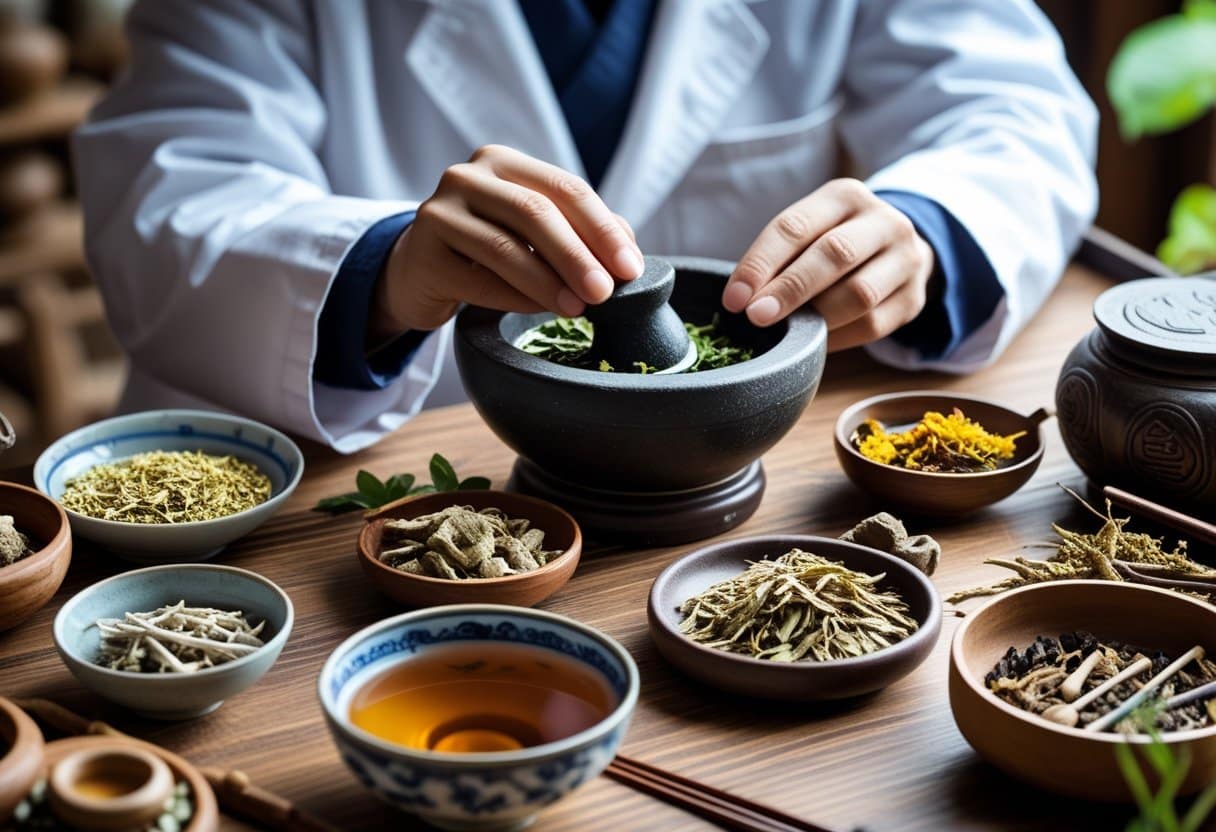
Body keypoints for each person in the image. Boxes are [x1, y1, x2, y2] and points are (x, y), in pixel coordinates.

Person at [74, 0, 1097, 453]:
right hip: (364, 490)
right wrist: (381, 269)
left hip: (733, 477)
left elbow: (1010, 107)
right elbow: (167, 191)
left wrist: (924, 229)